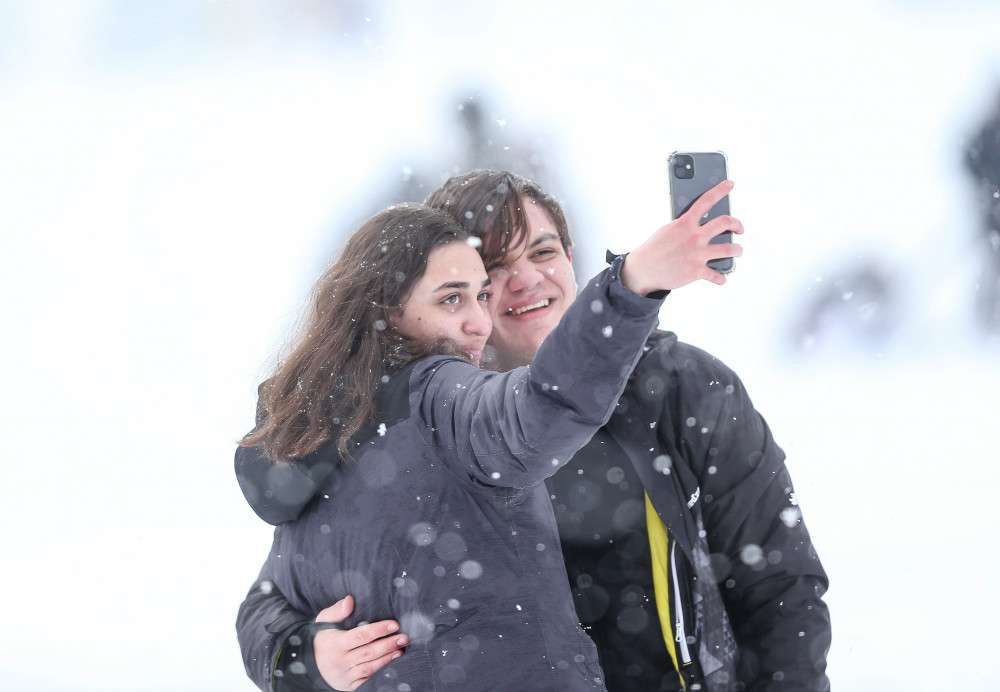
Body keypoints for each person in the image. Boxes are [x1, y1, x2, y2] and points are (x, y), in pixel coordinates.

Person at [237, 172, 831, 692]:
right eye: (494, 269)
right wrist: (304, 657)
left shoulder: (681, 388)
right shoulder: (424, 426)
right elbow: (276, 595)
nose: (525, 279)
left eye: (543, 251)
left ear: (571, 258)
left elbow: (781, 589)